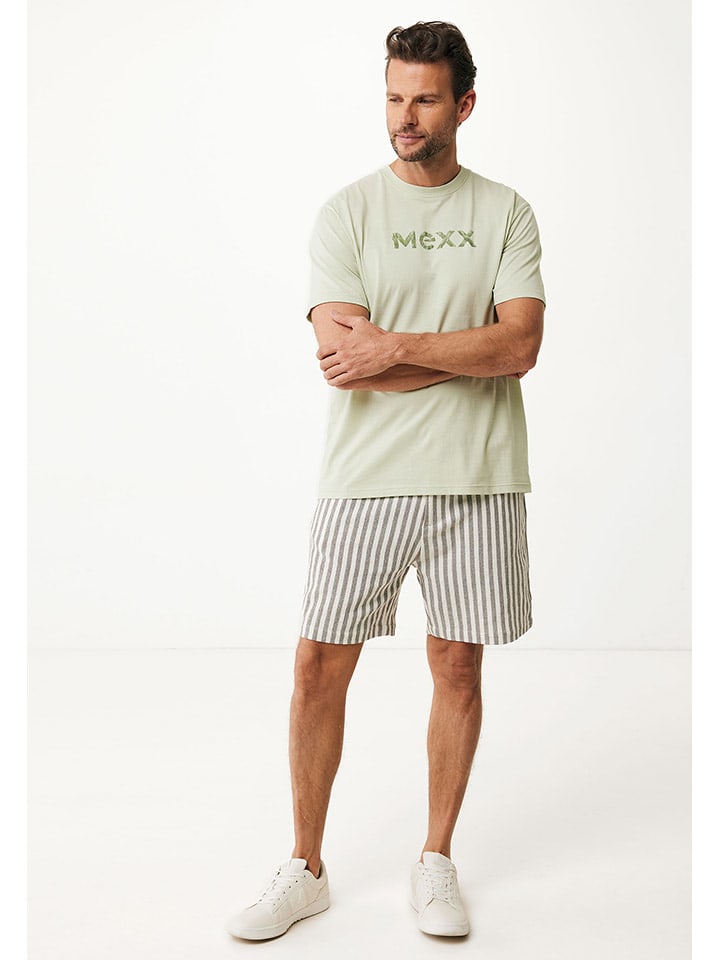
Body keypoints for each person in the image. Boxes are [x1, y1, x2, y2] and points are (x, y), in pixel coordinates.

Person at [226, 20, 545, 941]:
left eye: (426, 99)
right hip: (363, 478)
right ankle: (305, 866)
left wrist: (395, 347)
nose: (406, 116)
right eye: (396, 97)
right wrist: (462, 352)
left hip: (477, 478)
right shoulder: (347, 214)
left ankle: (436, 857)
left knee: (458, 664)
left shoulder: (507, 213)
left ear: (464, 105)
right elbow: (343, 362)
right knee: (317, 664)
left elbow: (520, 344)